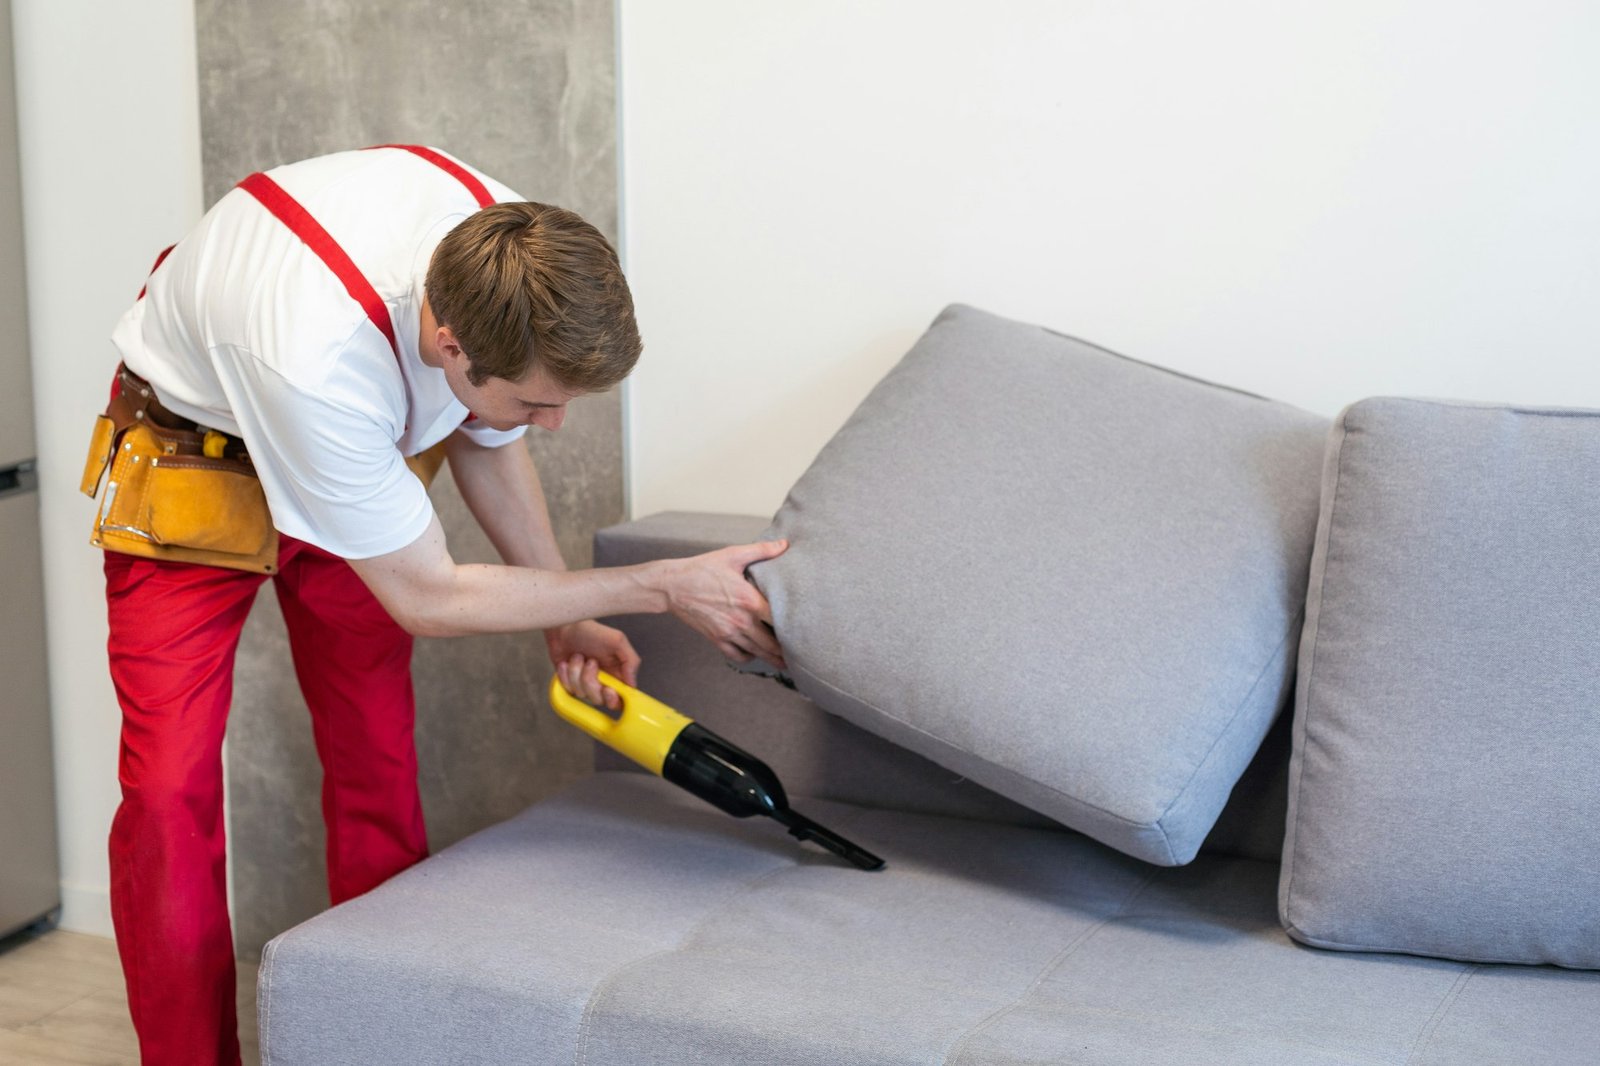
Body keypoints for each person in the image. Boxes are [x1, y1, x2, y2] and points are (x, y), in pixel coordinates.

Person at [88, 144, 786, 1066]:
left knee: (376, 750)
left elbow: (487, 436)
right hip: (192, 462)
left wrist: (563, 618)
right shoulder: (311, 354)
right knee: (169, 792)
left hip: (359, 460)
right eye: (541, 403)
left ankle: (374, 1037)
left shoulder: (505, 246)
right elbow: (425, 595)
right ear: (448, 341)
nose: (556, 425)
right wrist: (656, 584)